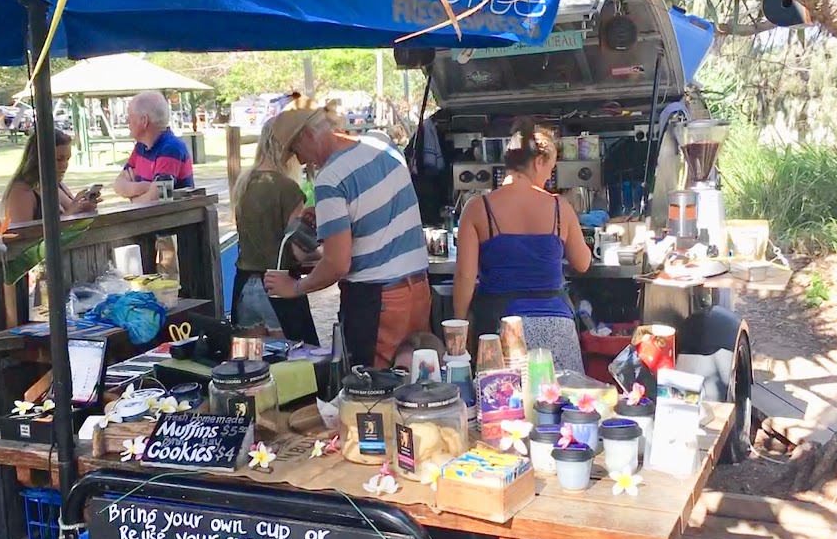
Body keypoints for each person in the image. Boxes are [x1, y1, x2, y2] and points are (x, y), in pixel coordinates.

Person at [263, 107, 430, 368]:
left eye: (296, 151)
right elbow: (380, 204)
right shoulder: (381, 143)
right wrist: (332, 216)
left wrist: (294, 288)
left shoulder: (330, 178)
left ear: (307, 135)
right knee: (416, 382)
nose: (303, 162)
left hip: (377, 302)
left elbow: (337, 264)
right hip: (417, 289)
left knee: (373, 392)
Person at [453, 121, 592, 371]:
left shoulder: (477, 208)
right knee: (562, 404)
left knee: (503, 405)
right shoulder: (561, 207)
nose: (550, 176)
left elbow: (465, 277)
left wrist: (459, 330)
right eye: (550, 168)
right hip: (556, 327)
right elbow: (583, 263)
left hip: (500, 329)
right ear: (538, 162)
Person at [230, 101, 319, 345]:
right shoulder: (286, 188)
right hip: (277, 288)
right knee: (292, 371)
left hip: (244, 287)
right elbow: (298, 252)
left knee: (251, 373)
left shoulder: (244, 183)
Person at [2, 128, 99, 223]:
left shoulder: (56, 184)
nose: (65, 165)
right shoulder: (22, 191)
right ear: (39, 158)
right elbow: (21, 235)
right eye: (59, 159)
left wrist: (84, 208)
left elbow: (71, 214)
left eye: (67, 159)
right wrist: (70, 213)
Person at [113, 91, 194, 203]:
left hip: (174, 219)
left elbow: (158, 199)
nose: (127, 121)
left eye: (130, 116)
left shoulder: (170, 149)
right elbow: (118, 185)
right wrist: (142, 187)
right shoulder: (141, 146)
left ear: (144, 121)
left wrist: (132, 197)